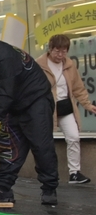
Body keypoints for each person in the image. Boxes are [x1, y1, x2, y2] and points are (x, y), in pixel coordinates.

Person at [0, 26, 59, 205]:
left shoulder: (5, 56)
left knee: (41, 145)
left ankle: (49, 189)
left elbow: (7, 92)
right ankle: (2, 190)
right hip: (14, 105)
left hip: (35, 101)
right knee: (8, 147)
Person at [37, 34, 95, 185]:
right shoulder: (39, 65)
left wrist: (87, 104)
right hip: (47, 109)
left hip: (65, 107)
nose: (60, 55)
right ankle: (48, 175)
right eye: (57, 51)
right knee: (45, 142)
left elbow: (78, 88)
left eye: (64, 51)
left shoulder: (68, 65)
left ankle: (74, 173)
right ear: (50, 49)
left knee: (74, 137)